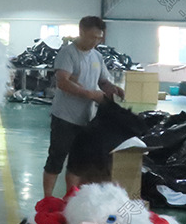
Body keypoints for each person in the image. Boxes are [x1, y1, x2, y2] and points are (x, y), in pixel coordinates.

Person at [42, 16, 125, 197]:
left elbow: (103, 81)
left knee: (77, 163)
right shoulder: (68, 53)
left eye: (99, 38)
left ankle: (71, 198)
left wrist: (113, 88)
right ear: (81, 32)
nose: (96, 41)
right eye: (92, 37)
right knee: (57, 158)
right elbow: (62, 82)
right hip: (65, 117)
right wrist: (90, 94)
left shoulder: (97, 56)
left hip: (86, 118)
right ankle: (47, 198)